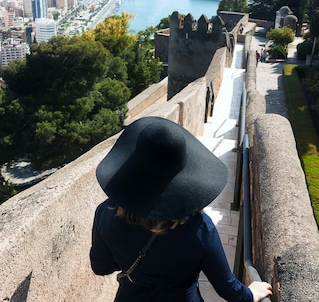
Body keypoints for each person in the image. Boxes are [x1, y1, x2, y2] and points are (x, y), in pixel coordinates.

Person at [90, 116, 272, 302]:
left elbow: (101, 267)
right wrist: (251, 294)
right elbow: (226, 287)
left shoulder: (105, 212)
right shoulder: (200, 229)